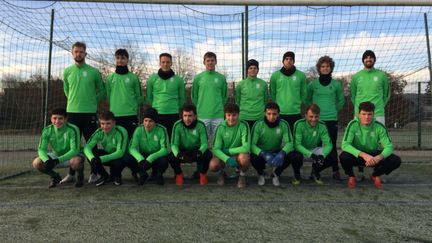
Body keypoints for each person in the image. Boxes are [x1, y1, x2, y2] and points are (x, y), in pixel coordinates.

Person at [63, 41, 105, 184]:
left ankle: (94, 173)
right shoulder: (67, 71)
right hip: (73, 113)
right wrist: (74, 101)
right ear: (72, 53)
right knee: (73, 145)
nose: (78, 54)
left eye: (81, 52)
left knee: (91, 145)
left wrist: (93, 101)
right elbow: (66, 90)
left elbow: (102, 91)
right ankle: (71, 173)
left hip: (89, 113)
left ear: (85, 54)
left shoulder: (94, 72)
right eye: (76, 51)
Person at [340, 101, 401, 189]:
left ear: (373, 114)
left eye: (369, 114)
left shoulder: (379, 126)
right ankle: (351, 176)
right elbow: (345, 145)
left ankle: (375, 174)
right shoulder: (353, 125)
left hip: (373, 157)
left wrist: (378, 157)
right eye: (364, 114)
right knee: (343, 156)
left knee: (396, 160)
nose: (367, 117)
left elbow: (389, 146)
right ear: (359, 114)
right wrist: (363, 155)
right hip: (359, 156)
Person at [306, 56, 345, 181]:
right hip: (316, 120)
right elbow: (307, 99)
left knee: (332, 146)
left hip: (331, 119)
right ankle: (315, 170)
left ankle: (335, 170)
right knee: (317, 146)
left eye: (327, 66)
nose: (325, 68)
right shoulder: (313, 84)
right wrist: (313, 113)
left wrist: (333, 110)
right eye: (323, 66)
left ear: (331, 68)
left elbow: (341, 101)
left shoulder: (336, 84)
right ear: (319, 68)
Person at [32, 108, 84, 188]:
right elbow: (41, 149)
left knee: (76, 162)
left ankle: (80, 176)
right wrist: (46, 160)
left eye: (60, 118)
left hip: (73, 156)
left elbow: (75, 150)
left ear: (66, 119)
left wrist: (57, 160)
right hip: (56, 155)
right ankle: (55, 177)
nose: (57, 121)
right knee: (37, 163)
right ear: (51, 119)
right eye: (54, 118)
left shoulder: (73, 129)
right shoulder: (47, 130)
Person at [250, 102, 299, 186]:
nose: (271, 117)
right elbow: (251, 145)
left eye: (274, 114)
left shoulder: (284, 124)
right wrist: (263, 153)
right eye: (269, 114)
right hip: (263, 152)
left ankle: (276, 173)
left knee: (293, 155)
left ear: (278, 114)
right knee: (253, 157)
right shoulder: (258, 125)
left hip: (277, 151)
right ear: (265, 113)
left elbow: (290, 143)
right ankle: (261, 173)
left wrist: (282, 153)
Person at [83, 111, 134, 186]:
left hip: (122, 157)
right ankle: (104, 175)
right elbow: (87, 147)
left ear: (114, 123)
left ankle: (117, 176)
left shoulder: (121, 131)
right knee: (92, 155)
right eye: (102, 124)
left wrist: (101, 159)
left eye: (108, 123)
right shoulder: (99, 132)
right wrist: (92, 158)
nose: (105, 126)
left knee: (119, 161)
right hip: (109, 155)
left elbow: (120, 152)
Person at [292, 104, 336, 185]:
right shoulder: (299, 124)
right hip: (302, 150)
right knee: (294, 156)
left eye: (316, 116)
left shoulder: (322, 125)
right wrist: (311, 155)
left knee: (332, 156)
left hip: (314, 149)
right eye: (311, 116)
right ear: (305, 115)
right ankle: (297, 174)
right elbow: (297, 145)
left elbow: (328, 144)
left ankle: (315, 171)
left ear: (319, 116)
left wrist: (322, 155)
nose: (314, 119)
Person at [168, 104, 212, 186]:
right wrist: (178, 153)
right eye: (185, 116)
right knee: (171, 157)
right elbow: (174, 144)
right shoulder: (177, 125)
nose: (187, 119)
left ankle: (202, 174)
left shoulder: (200, 125)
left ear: (195, 116)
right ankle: (179, 174)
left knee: (208, 154)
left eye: (190, 116)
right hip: (183, 151)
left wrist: (200, 151)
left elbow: (205, 143)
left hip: (196, 150)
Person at [209, 103, 250, 188]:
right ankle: (222, 172)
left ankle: (242, 175)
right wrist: (227, 159)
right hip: (225, 155)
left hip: (238, 154)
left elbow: (246, 147)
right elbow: (215, 149)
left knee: (245, 158)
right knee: (213, 165)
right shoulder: (220, 127)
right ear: (225, 115)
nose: (231, 118)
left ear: (238, 115)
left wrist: (228, 151)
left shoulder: (244, 125)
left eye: (234, 115)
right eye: (228, 115)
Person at [105, 48, 143, 138]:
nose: (120, 60)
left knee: (131, 142)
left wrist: (132, 106)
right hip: (115, 114)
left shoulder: (133, 78)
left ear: (127, 60)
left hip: (130, 114)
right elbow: (108, 96)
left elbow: (140, 97)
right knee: (117, 141)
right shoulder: (110, 78)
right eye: (117, 58)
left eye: (122, 58)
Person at [146, 53, 185, 138]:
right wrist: (155, 107)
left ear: (171, 63)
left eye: (168, 62)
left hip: (173, 113)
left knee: (172, 139)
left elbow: (182, 98)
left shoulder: (178, 80)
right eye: (163, 62)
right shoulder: (152, 79)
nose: (165, 64)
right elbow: (148, 97)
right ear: (160, 63)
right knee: (158, 138)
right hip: (157, 114)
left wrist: (174, 107)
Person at [191, 51, 228, 142]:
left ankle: (217, 156)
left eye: (212, 60)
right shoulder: (198, 78)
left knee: (218, 141)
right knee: (204, 141)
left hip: (218, 114)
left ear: (216, 62)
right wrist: (201, 107)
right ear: (204, 62)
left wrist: (218, 105)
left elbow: (225, 96)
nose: (210, 62)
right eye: (208, 60)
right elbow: (194, 96)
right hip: (203, 115)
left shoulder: (221, 78)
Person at [129, 107, 170, 185]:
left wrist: (151, 158)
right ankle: (142, 174)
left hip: (156, 155)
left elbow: (165, 149)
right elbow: (132, 148)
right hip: (143, 156)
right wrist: (140, 158)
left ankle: (158, 174)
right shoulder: (138, 129)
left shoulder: (162, 129)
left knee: (164, 161)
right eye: (145, 120)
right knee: (129, 158)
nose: (147, 124)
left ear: (155, 121)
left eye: (150, 121)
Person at [270, 51, 307, 131]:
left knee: (295, 137)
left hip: (295, 112)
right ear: (283, 61)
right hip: (280, 112)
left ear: (294, 61)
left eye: (291, 59)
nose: (288, 61)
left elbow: (303, 93)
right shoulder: (275, 75)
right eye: (286, 59)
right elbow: (272, 93)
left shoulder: (301, 75)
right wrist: (277, 106)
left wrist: (298, 103)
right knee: (279, 138)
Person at [350, 50, 390, 125]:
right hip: (360, 114)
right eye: (366, 57)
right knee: (360, 137)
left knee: (378, 136)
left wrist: (378, 106)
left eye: (371, 57)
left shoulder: (382, 75)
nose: (368, 59)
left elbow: (386, 95)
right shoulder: (356, 76)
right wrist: (360, 109)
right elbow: (352, 96)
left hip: (377, 113)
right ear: (363, 60)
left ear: (374, 60)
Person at [235, 59, 268, 129]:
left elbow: (265, 99)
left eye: (255, 68)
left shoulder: (263, 84)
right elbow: (237, 100)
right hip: (244, 116)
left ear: (258, 70)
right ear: (247, 70)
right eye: (250, 68)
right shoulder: (241, 84)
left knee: (258, 139)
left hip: (259, 117)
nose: (253, 70)